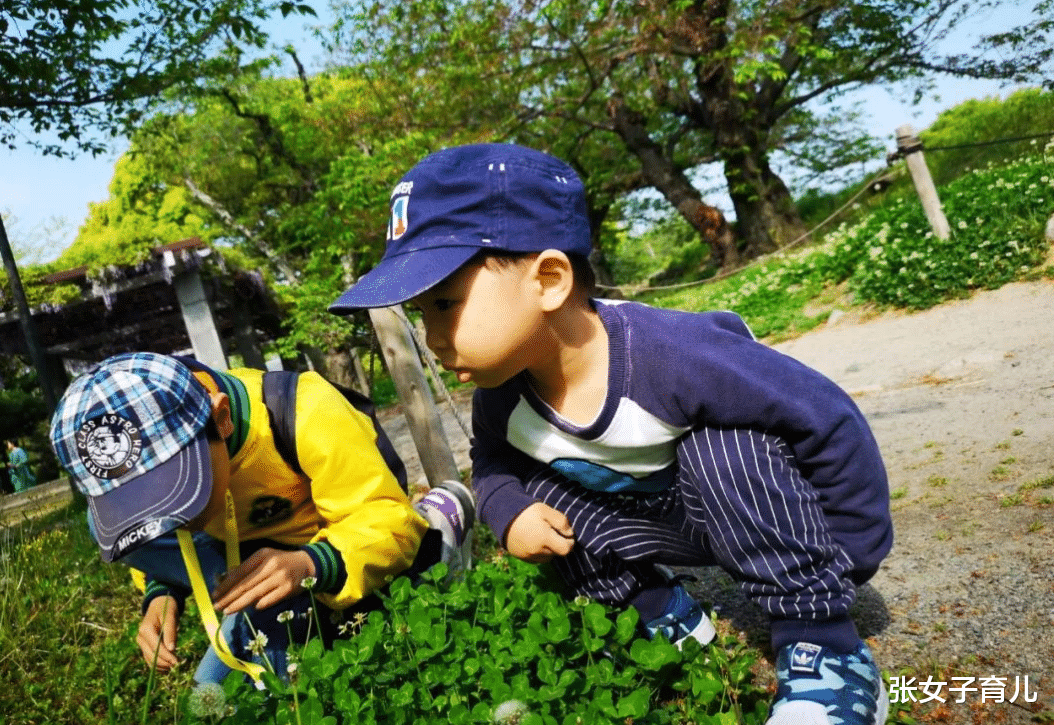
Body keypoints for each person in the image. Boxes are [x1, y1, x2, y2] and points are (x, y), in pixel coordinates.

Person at [329, 143, 894, 725]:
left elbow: (826, 416)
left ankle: (824, 645)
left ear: (549, 279)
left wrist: (847, 553)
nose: (433, 337)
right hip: (661, 525)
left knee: (722, 450)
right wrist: (509, 513)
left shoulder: (673, 355)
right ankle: (653, 607)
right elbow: (493, 464)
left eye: (446, 304)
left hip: (751, 507)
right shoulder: (502, 392)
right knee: (535, 491)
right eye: (422, 313)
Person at [49, 352, 474, 684]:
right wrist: (162, 590)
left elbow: (380, 515)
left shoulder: (304, 410)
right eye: (139, 503)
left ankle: (436, 532)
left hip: (326, 551)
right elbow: (149, 542)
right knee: (209, 696)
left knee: (274, 680)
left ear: (221, 418)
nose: (171, 519)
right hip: (249, 567)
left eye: (178, 490)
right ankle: (258, 608)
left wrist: (311, 564)